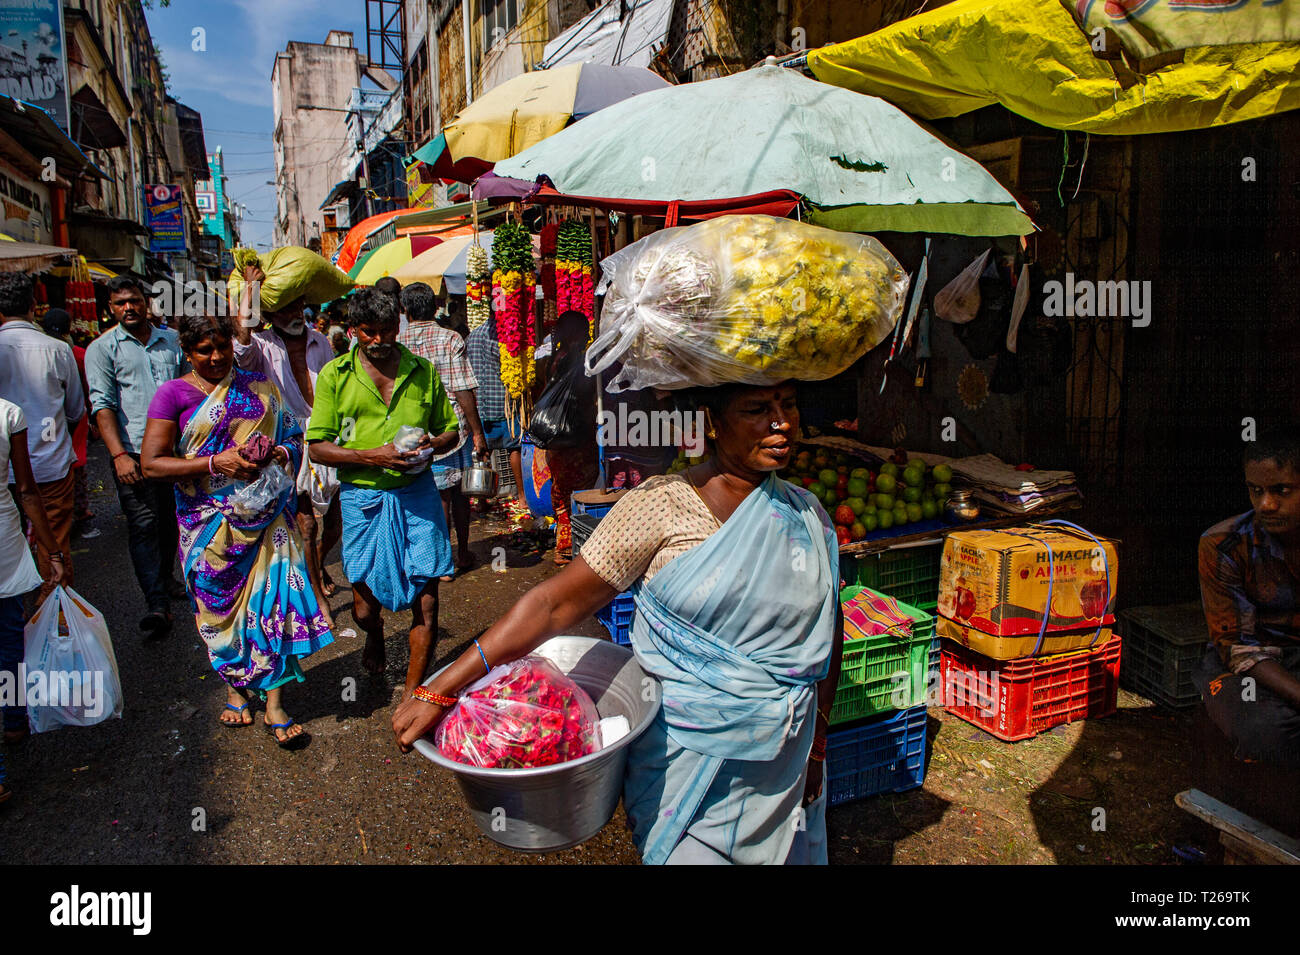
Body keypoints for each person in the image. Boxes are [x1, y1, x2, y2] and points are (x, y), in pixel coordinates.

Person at [394, 380, 843, 865]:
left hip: (785, 763)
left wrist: (816, 745)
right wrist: (441, 687)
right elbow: (553, 605)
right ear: (711, 424)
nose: (782, 423)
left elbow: (826, 632)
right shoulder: (660, 504)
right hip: (683, 764)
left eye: (790, 405)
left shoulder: (806, 514)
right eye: (758, 409)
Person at [140, 312, 333, 748]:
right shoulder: (172, 395)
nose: (215, 357)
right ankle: (234, 685)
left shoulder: (258, 386)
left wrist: (278, 451)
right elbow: (151, 463)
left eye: (221, 347)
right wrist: (215, 463)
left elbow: (294, 438)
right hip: (206, 523)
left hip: (266, 515)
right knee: (219, 610)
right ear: (186, 353)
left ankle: (275, 702)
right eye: (203, 350)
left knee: (274, 601)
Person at [306, 287, 459, 699]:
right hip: (363, 500)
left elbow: (451, 429)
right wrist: (374, 457)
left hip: (418, 496)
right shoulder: (335, 377)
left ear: (400, 325)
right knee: (363, 609)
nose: (380, 341)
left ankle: (413, 693)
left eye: (388, 330)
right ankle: (374, 637)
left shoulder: (423, 370)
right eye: (369, 332)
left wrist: (434, 443)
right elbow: (317, 446)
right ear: (354, 330)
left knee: (426, 602)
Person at [231, 264, 342, 627]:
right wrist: (250, 288)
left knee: (336, 521)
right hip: (289, 441)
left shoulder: (320, 341)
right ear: (269, 313)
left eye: (297, 307)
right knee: (306, 523)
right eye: (284, 308)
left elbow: (333, 387)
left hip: (326, 434)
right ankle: (315, 594)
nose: (294, 314)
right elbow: (240, 341)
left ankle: (320, 563)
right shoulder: (261, 345)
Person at [85, 275, 187, 636]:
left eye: (134, 300)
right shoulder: (102, 349)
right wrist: (118, 456)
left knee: (171, 519)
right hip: (132, 454)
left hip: (175, 453)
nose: (128, 308)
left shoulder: (172, 342)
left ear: (146, 302)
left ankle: (167, 579)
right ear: (110, 308)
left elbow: (191, 390)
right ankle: (156, 603)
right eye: (119, 303)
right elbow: (104, 406)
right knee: (143, 524)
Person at [1195, 426, 1300, 768]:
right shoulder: (1224, 544)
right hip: (1249, 666)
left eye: (1281, 490)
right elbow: (1239, 648)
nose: (1266, 504)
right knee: (1263, 730)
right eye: (1256, 491)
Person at [0, 273, 85, 603]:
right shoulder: (58, 349)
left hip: (6, 469)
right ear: (34, 306)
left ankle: (22, 624)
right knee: (54, 545)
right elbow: (76, 408)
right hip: (49, 464)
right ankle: (53, 625)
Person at [397, 282, 488, 578]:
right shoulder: (449, 338)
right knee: (458, 495)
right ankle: (458, 554)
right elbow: (463, 390)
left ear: (404, 309)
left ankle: (441, 560)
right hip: (450, 430)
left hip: (408, 431)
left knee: (435, 499)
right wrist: (477, 432)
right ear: (435, 306)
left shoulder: (397, 342)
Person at [0, 396, 66, 780]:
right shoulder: (8, 413)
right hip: (4, 539)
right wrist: (52, 552)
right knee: (9, 637)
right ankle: (13, 718)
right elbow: (26, 490)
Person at [543, 311, 599, 566]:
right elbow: (584, 396)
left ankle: (565, 544)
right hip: (577, 438)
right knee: (580, 491)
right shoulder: (579, 361)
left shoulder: (554, 358)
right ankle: (575, 546)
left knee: (562, 492)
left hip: (557, 442)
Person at [465, 298, 528, 520]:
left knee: (483, 450)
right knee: (514, 448)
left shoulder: (472, 336)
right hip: (503, 403)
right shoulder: (503, 337)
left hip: (480, 404)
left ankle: (481, 500)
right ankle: (521, 496)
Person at [39, 308, 99, 539]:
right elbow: (82, 394)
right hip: (69, 422)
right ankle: (80, 514)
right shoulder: (72, 352)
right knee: (75, 470)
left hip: (44, 425)